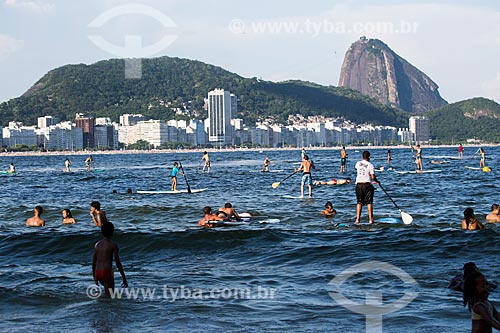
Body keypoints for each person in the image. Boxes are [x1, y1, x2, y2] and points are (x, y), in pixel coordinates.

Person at [92, 222, 128, 298]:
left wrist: (94, 276)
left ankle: (102, 307)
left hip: (98, 272)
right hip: (107, 272)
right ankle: (108, 309)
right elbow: (118, 262)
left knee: (106, 292)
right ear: (112, 231)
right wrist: (124, 277)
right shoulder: (113, 245)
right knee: (110, 296)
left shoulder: (97, 244)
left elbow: (94, 262)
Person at [355, 151, 380, 224]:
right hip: (367, 185)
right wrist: (377, 181)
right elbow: (372, 176)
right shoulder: (370, 165)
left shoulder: (357, 163)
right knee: (369, 202)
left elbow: (357, 169)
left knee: (359, 202)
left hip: (359, 185)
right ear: (369, 157)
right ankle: (371, 220)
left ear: (362, 156)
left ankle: (357, 220)